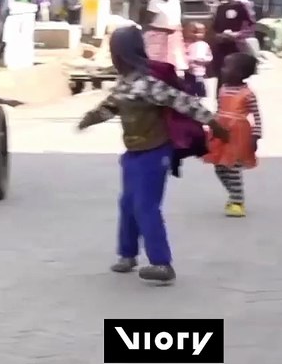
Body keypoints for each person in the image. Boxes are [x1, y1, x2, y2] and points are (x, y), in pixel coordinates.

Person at [77, 26, 225, 285]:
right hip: (133, 153)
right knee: (127, 203)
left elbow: (183, 101)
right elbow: (110, 106)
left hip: (154, 152)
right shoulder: (126, 82)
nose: (115, 58)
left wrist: (213, 123)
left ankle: (161, 263)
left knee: (145, 206)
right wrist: (89, 119)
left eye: (117, 53)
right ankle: (127, 255)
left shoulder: (149, 84)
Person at [203, 52, 262, 218]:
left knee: (232, 166)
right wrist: (212, 124)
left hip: (238, 134)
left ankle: (238, 202)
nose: (223, 70)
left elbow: (256, 116)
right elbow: (219, 110)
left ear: (241, 73)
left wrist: (256, 136)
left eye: (227, 66)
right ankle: (233, 194)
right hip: (220, 131)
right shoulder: (223, 89)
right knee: (219, 167)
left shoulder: (248, 93)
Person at [208, 0, 255, 91]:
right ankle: (220, 105)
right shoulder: (219, 8)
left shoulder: (240, 7)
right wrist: (217, 36)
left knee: (235, 78)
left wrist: (237, 35)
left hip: (235, 49)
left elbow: (252, 26)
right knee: (221, 78)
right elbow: (215, 28)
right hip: (220, 50)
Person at [143, 0, 186, 75]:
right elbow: (147, 23)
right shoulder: (155, 3)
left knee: (175, 62)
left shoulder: (176, 1)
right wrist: (164, 30)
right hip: (158, 38)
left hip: (174, 38)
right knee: (158, 63)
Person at [183, 21, 211, 98]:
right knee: (189, 90)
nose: (198, 35)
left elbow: (209, 56)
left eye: (201, 32)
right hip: (189, 72)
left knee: (200, 88)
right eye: (195, 32)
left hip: (200, 72)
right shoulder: (187, 45)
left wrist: (205, 60)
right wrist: (191, 60)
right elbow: (184, 56)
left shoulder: (204, 45)